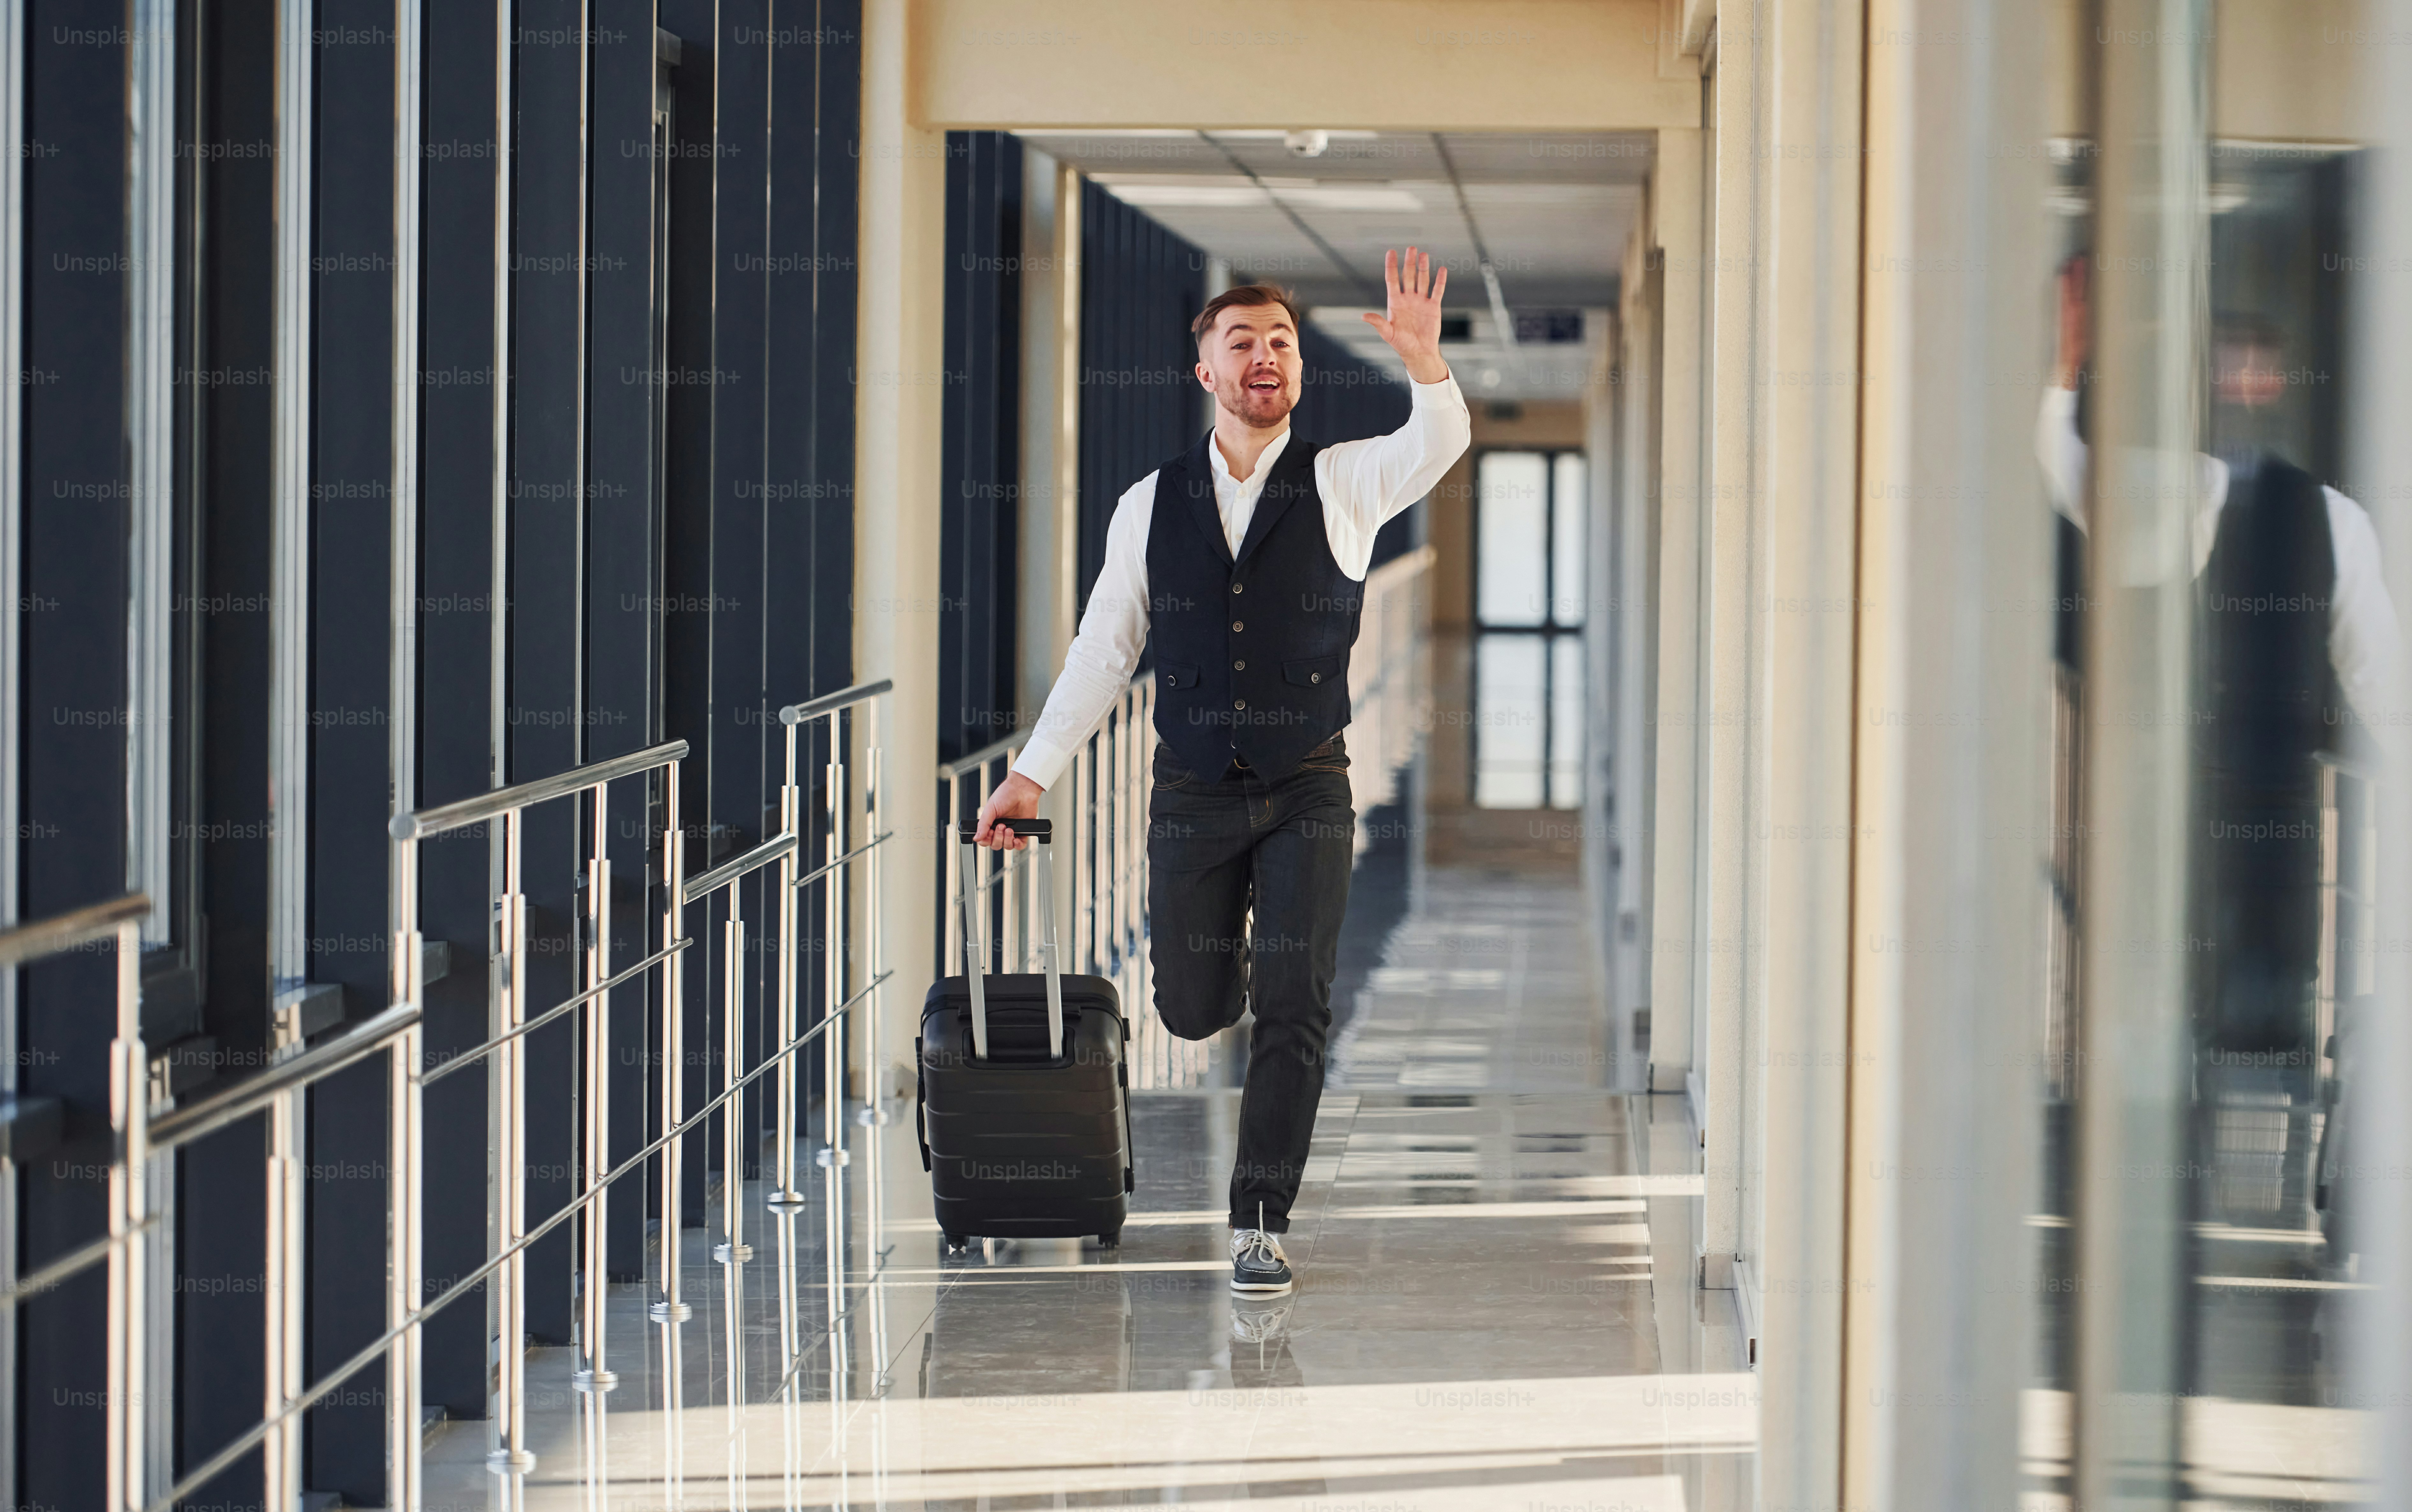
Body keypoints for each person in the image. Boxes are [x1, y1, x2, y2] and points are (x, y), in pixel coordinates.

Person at [974, 250, 1469, 1294]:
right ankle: (1230, 966)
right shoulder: (1147, 505)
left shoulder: (1343, 479)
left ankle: (1259, 1221)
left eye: (1280, 342)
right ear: (1204, 371)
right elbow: (1105, 650)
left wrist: (1426, 365)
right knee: (1196, 1009)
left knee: (1297, 1000)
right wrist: (1033, 775)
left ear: (1299, 371)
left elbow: (1441, 442)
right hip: (1194, 792)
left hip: (1308, 788)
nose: (1265, 357)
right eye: (1241, 342)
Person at [2040, 253, 2398, 1092]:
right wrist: (2065, 364)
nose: (2240, 391)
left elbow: (2385, 692)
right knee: (2211, 1045)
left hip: (2230, 853)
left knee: (2231, 1038)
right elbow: (2061, 461)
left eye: (2254, 373)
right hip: (2210, 851)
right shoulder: (2169, 495)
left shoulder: (2323, 519)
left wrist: (2067, 364)